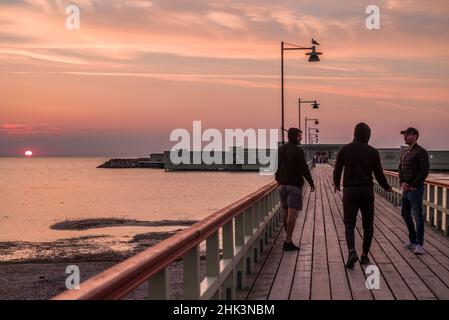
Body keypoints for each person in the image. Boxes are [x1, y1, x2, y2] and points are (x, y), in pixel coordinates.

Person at [333, 123, 392, 268]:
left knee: (349, 224)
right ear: (368, 135)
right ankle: (365, 255)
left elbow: (337, 169)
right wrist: (387, 187)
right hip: (366, 191)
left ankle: (352, 251)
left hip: (350, 191)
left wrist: (336, 184)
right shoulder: (372, 152)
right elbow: (378, 174)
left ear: (355, 133)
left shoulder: (345, 150)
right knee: (368, 225)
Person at [275, 128, 315, 251]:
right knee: (291, 215)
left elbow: (276, 168)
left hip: (282, 186)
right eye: (299, 136)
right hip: (294, 186)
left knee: (285, 212)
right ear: (293, 136)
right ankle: (288, 241)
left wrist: (279, 181)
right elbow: (304, 168)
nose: (300, 138)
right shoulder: (298, 151)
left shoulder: (280, 150)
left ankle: (289, 239)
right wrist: (311, 183)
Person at [399, 127, 429, 255]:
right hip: (406, 189)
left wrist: (413, 185)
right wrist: (402, 183)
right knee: (405, 213)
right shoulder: (405, 152)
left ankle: (419, 245)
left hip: (415, 189)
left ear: (415, 136)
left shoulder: (420, 152)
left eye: (408, 134)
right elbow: (400, 168)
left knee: (418, 217)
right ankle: (412, 240)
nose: (405, 136)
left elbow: (424, 170)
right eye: (404, 134)